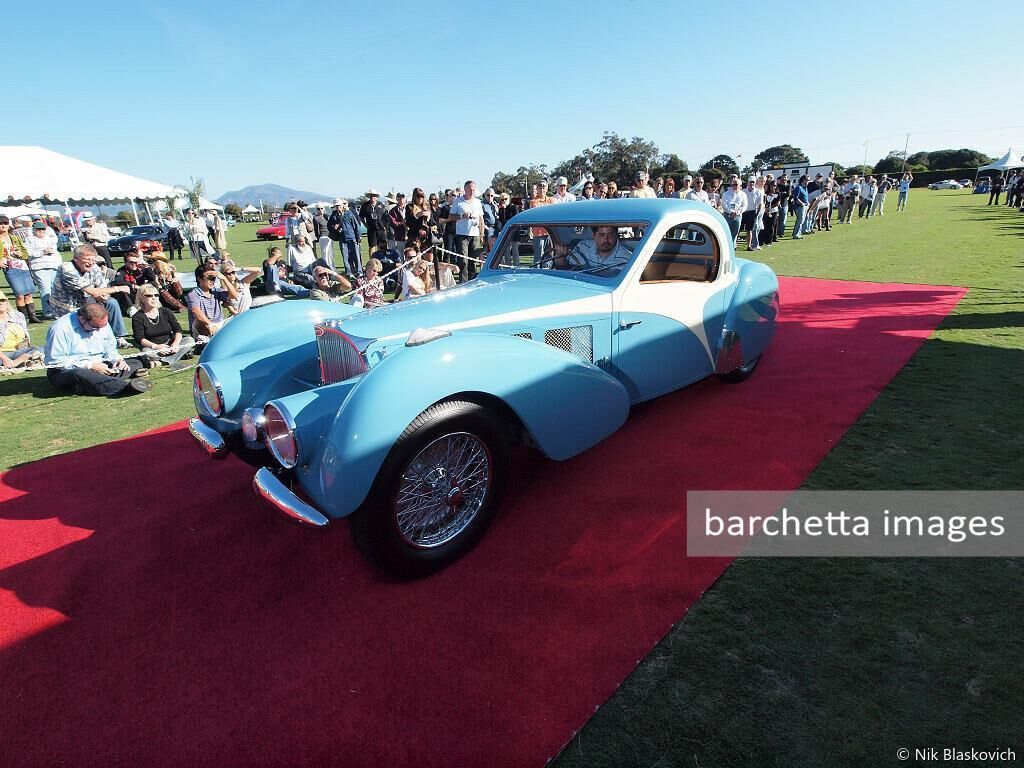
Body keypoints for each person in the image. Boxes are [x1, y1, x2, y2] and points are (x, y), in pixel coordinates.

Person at [44, 303, 151, 396]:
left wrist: (117, 360)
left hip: (100, 363)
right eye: (95, 328)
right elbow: (56, 361)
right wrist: (90, 366)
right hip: (68, 370)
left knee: (136, 361)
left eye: (102, 327)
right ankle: (125, 387)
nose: (99, 330)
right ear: (82, 319)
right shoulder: (60, 328)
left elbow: (110, 349)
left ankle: (89, 384)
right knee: (79, 374)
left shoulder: (101, 323)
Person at [50, 243, 132, 345]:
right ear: (76, 258)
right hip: (67, 307)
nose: (91, 263)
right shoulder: (67, 268)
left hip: (87, 301)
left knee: (111, 302)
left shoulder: (94, 268)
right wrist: (118, 288)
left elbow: (102, 288)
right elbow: (92, 291)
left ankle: (119, 337)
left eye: (93, 260)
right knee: (88, 315)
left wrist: (103, 296)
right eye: (87, 259)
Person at [1, 216, 41, 323]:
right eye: (1, 224)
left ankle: (32, 316)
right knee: (19, 294)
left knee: (28, 293)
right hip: (10, 267)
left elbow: (25, 252)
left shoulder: (14, 237)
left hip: (22, 265)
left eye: (5, 223)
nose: (3, 226)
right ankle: (22, 318)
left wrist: (21, 254)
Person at [553, 225, 632, 278]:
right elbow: (568, 272)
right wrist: (560, 259)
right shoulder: (582, 247)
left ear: (616, 235)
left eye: (610, 235)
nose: (606, 240)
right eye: (601, 235)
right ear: (593, 235)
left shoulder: (627, 258)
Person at [131, 285, 184, 358]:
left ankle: (161, 361)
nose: (153, 298)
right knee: (146, 351)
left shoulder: (166, 311)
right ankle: (174, 357)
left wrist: (176, 343)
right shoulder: (137, 317)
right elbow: (139, 338)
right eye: (149, 296)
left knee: (189, 340)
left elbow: (178, 330)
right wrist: (156, 347)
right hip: (152, 347)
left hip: (170, 344)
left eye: (156, 295)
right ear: (142, 299)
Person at [187, 265, 237, 338]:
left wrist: (224, 278)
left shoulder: (216, 291)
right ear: (199, 278)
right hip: (204, 325)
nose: (212, 281)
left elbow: (234, 296)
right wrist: (210, 324)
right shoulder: (194, 294)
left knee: (237, 318)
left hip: (219, 324)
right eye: (209, 278)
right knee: (199, 321)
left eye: (213, 278)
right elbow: (196, 311)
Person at [452, 180, 484, 282]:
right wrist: (462, 216)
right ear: (465, 189)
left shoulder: (478, 202)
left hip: (475, 235)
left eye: (474, 189)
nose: (472, 191)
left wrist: (482, 234)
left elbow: (481, 219)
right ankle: (463, 282)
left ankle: (473, 281)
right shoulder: (458, 201)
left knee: (473, 261)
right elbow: (451, 216)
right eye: (470, 189)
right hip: (462, 235)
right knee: (463, 261)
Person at [0, 293, 43, 369]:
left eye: (3, 300)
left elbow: (25, 338)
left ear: (7, 302)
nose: (1, 303)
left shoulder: (18, 315)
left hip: (19, 352)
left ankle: (18, 361)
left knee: (43, 349)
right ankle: (25, 361)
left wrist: (26, 351)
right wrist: (5, 358)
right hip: (2, 354)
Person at [112, 246, 158, 316]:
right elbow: (118, 281)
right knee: (123, 289)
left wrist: (147, 267)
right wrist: (133, 286)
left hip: (141, 291)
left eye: (136, 262)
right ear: (126, 262)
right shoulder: (122, 270)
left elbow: (153, 278)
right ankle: (131, 309)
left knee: (154, 284)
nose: (134, 264)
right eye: (131, 262)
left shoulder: (141, 268)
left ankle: (154, 305)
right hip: (130, 294)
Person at [359, 189, 389, 258]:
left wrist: (385, 226)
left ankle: (382, 261)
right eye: (371, 196)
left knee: (382, 246)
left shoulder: (381, 205)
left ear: (377, 197)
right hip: (371, 229)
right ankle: (372, 261)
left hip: (381, 229)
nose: (373, 198)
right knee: (372, 246)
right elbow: (361, 217)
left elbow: (386, 217)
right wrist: (366, 225)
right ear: (369, 197)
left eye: (374, 196)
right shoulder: (365, 206)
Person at [721, 178, 747, 244]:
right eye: (733, 185)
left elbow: (744, 206)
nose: (734, 186)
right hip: (727, 215)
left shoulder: (743, 194)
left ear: (740, 185)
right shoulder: (726, 194)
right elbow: (724, 204)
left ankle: (732, 248)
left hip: (737, 216)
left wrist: (737, 212)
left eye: (736, 184)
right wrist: (731, 212)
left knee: (735, 234)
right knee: (726, 233)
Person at [741, 177, 763, 251]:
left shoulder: (758, 192)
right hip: (743, 212)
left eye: (753, 182)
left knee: (749, 230)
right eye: (750, 182)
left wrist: (757, 214)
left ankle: (749, 246)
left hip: (752, 212)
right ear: (747, 183)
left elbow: (760, 204)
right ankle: (734, 245)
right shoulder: (743, 191)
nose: (751, 184)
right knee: (738, 230)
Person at [791, 175, 809, 239]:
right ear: (803, 180)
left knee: (802, 220)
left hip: (805, 206)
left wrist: (807, 203)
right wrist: (802, 204)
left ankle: (797, 233)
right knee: (800, 220)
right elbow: (796, 198)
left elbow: (805, 197)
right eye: (807, 180)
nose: (808, 182)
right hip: (799, 207)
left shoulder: (805, 188)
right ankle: (796, 235)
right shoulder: (798, 188)